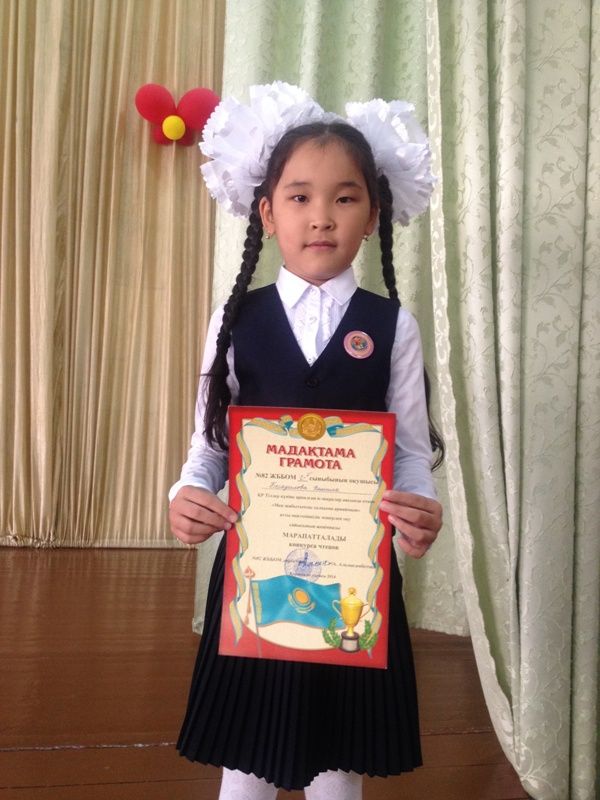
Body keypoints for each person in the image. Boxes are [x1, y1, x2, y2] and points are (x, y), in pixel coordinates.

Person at [169, 82, 444, 800]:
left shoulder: (394, 327)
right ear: (267, 212)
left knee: (337, 763)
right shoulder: (237, 319)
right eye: (299, 196)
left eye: (344, 197)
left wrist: (419, 505)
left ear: (373, 214)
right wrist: (188, 492)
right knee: (246, 761)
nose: (321, 215)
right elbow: (210, 444)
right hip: (255, 577)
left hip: (356, 578)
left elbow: (410, 450)